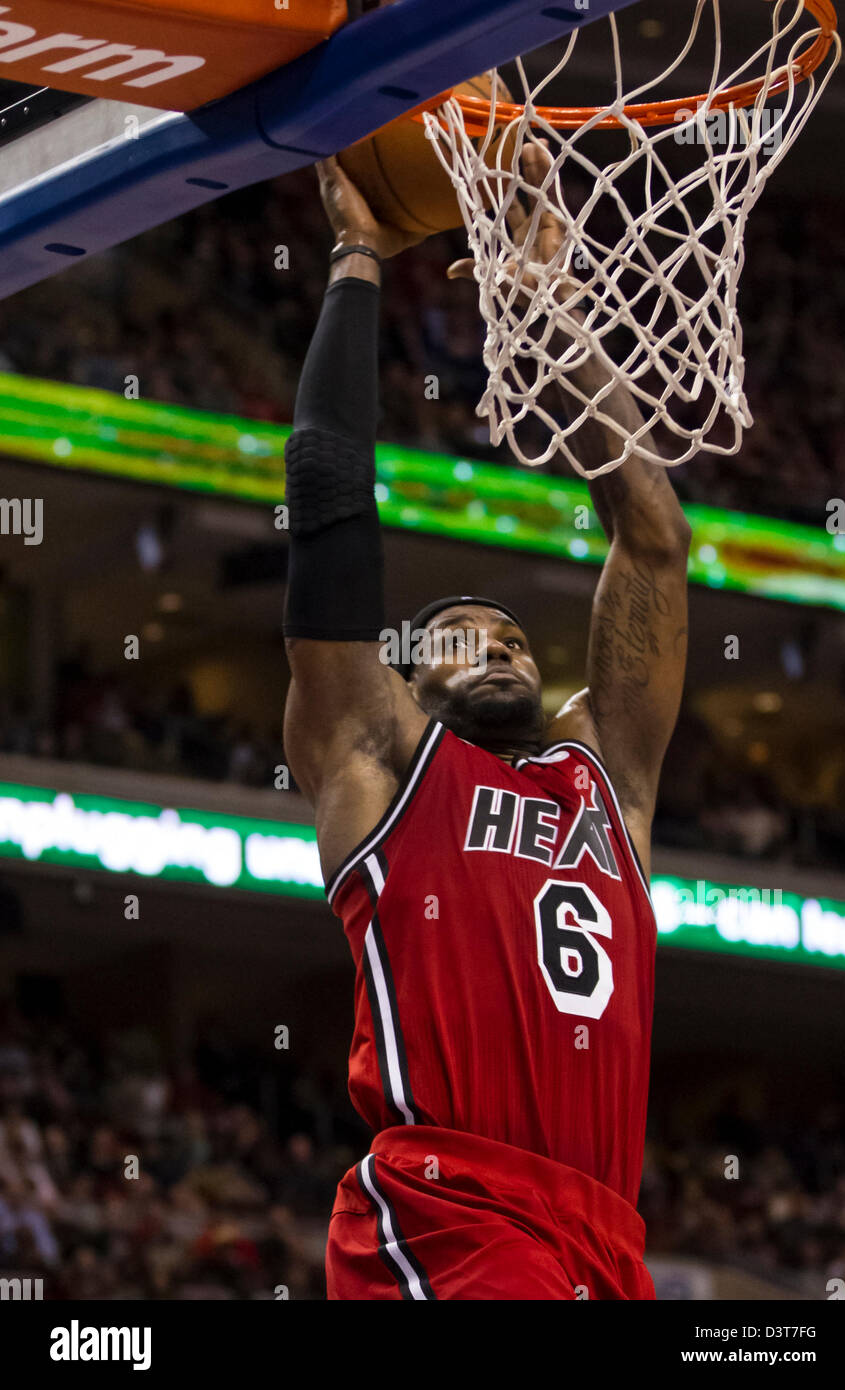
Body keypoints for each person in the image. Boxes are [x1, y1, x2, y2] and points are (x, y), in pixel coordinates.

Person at [281, 148, 691, 1300]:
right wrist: (358, 259)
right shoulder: (381, 767)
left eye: (514, 635)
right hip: (449, 1208)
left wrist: (554, 316)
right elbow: (324, 498)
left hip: (605, 1236)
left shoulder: (602, 782)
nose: (503, 644)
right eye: (463, 634)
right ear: (404, 678)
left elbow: (651, 541)